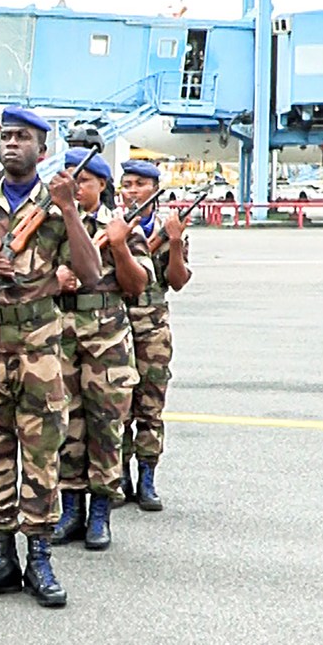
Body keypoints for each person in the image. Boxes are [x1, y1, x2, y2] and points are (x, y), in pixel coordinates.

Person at [0, 108, 98, 608]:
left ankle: (41, 558)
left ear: (41, 151)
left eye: (21, 137)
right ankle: (1, 556)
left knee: (43, 455)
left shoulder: (54, 208)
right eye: (5, 136)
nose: (10, 144)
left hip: (39, 353)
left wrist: (69, 210)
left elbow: (89, 274)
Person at [53, 151, 149, 551]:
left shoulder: (119, 225)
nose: (77, 188)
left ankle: (100, 514)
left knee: (106, 425)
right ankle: (71, 508)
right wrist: (52, 277)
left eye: (85, 181)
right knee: (67, 425)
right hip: (60, 335)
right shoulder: (52, 223)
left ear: (102, 186)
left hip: (106, 337)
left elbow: (138, 285)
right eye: (72, 180)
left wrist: (122, 246)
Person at [118, 159, 189, 509]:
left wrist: (174, 244)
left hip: (152, 328)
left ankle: (147, 479)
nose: (132, 191)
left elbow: (177, 281)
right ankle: (119, 478)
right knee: (116, 408)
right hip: (114, 325)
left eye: (140, 185)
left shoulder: (167, 227)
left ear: (155, 191)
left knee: (149, 407)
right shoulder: (111, 226)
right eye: (127, 184)